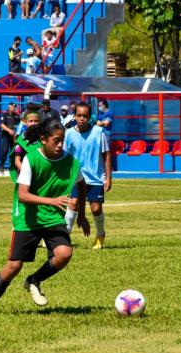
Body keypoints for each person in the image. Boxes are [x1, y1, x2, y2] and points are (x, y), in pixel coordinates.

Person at [0, 120, 90, 316]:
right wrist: (51, 201)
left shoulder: (70, 162)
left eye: (62, 140)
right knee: (14, 265)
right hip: (28, 218)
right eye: (56, 141)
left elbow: (82, 185)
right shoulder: (32, 159)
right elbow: (23, 195)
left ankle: (33, 280)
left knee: (64, 254)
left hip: (53, 218)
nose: (60, 145)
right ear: (43, 140)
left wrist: (81, 215)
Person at [63, 101, 112, 250]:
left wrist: (109, 177)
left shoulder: (99, 132)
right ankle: (64, 238)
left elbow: (106, 154)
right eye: (79, 115)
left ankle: (100, 234)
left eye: (85, 116)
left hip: (96, 177)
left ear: (89, 117)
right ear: (75, 116)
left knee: (96, 209)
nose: (82, 118)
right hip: (76, 177)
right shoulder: (69, 134)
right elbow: (64, 156)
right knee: (73, 204)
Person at [0, 102, 21, 174]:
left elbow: (20, 125)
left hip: (14, 137)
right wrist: (9, 130)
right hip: (6, 136)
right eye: (10, 107)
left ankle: (13, 168)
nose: (12, 108)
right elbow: (2, 125)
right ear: (9, 107)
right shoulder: (4, 115)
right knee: (4, 151)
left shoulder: (17, 116)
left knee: (14, 152)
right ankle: (2, 166)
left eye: (13, 107)